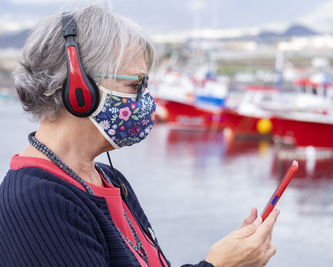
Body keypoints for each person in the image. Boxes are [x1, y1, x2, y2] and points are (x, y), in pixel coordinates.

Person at [0, 3, 279, 267]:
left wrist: (233, 256)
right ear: (79, 89)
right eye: (134, 85)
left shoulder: (110, 180)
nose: (145, 100)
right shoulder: (37, 202)